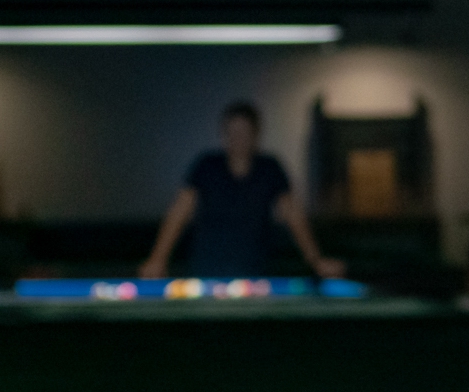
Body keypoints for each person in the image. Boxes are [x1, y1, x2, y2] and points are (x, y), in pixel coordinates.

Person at [140, 101, 345, 281]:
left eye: (244, 132)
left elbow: (293, 215)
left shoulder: (270, 168)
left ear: (256, 134)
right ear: (224, 134)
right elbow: (179, 211)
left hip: (255, 271)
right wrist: (158, 259)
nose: (238, 139)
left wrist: (316, 260)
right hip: (207, 271)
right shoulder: (206, 166)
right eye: (232, 133)